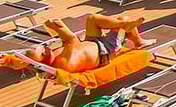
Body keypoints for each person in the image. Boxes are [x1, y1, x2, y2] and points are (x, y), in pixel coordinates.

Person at [19, 13, 155, 73]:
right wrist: (56, 27)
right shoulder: (61, 64)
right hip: (106, 51)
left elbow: (68, 42)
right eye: (43, 52)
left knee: (92, 19)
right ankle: (133, 34)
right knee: (123, 18)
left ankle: (125, 25)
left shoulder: (54, 56)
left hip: (91, 42)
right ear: (44, 60)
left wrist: (54, 26)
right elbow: (72, 40)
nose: (45, 48)